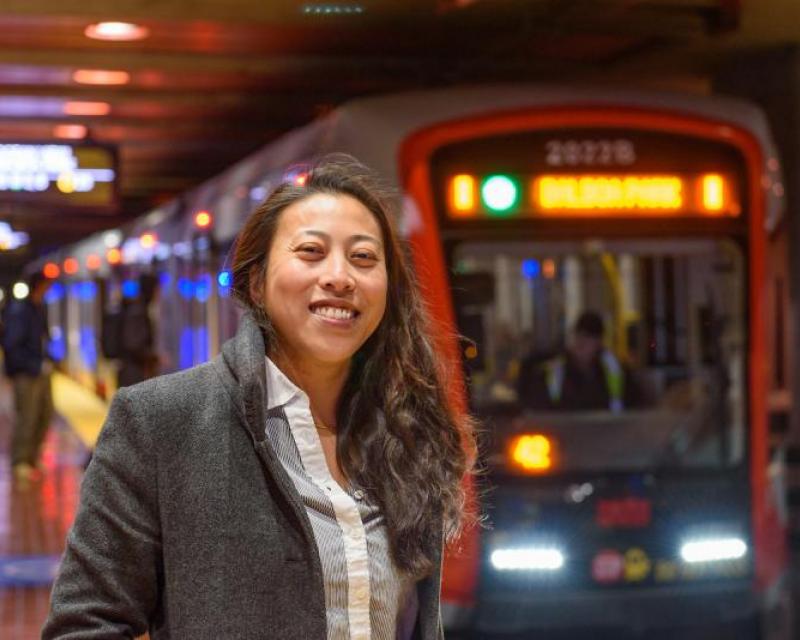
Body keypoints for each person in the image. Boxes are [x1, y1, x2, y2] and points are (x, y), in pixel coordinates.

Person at [43, 154, 474, 639]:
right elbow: (84, 625)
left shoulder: (409, 430)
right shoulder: (160, 423)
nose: (340, 276)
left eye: (364, 257)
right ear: (256, 283)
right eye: (311, 252)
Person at [518, 310, 641, 412]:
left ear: (599, 343)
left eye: (588, 338)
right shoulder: (554, 371)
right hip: (564, 437)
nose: (581, 343)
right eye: (578, 336)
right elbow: (535, 404)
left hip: (607, 438)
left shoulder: (617, 372)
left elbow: (636, 408)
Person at [2, 272, 52, 484]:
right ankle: (20, 461)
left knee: (44, 413)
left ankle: (32, 458)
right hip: (26, 372)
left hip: (40, 370)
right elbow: (12, 344)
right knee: (27, 416)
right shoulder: (21, 311)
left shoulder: (37, 308)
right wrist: (32, 365)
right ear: (38, 286)